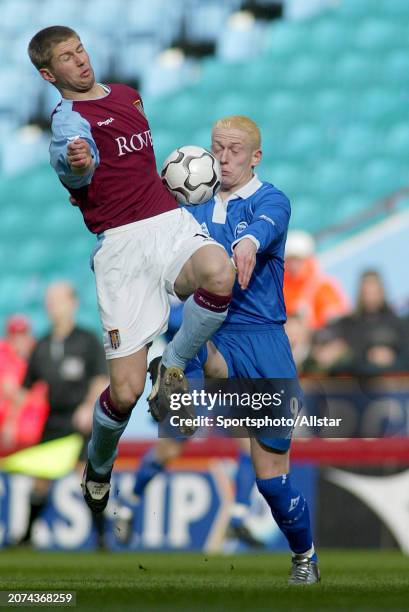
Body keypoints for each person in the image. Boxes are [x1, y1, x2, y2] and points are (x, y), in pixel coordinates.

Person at [27, 26, 235, 513]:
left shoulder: (128, 96)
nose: (80, 60)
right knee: (124, 392)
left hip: (168, 224)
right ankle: (99, 466)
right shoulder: (67, 122)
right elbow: (74, 162)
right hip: (122, 250)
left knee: (218, 272)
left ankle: (176, 364)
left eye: (80, 49)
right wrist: (79, 163)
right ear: (47, 73)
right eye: (65, 57)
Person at [125, 116, 320, 583]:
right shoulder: (191, 207)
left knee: (272, 480)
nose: (224, 157)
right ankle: (178, 384)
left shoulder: (271, 199)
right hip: (210, 326)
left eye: (234, 149)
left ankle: (304, 557)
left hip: (264, 339)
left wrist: (249, 241)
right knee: (193, 346)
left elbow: (265, 229)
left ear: (255, 156)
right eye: (217, 148)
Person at [11, 282, 109, 548]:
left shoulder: (86, 340)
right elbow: (25, 388)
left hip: (81, 422)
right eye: (49, 301)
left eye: (57, 300)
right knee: (41, 480)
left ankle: (101, 537)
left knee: (86, 476)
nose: (52, 306)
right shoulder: (42, 344)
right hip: (53, 422)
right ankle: (27, 537)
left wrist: (88, 406)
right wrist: (11, 417)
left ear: (73, 303)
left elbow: (100, 378)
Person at [284, 230, 349, 329]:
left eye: (298, 260)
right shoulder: (279, 287)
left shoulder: (323, 285)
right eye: (290, 260)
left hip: (318, 338)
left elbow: (336, 315)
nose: (294, 265)